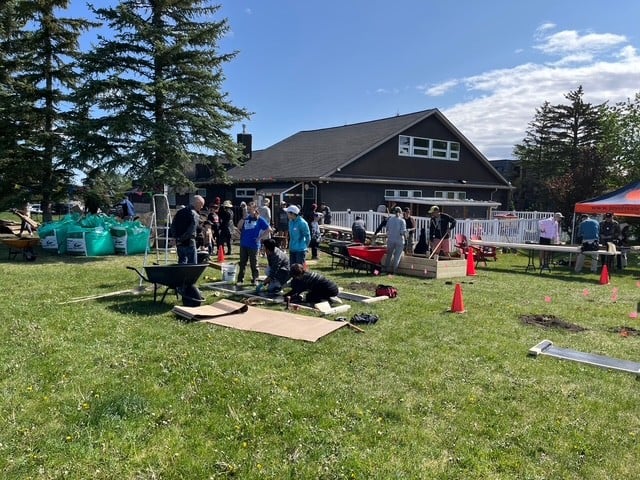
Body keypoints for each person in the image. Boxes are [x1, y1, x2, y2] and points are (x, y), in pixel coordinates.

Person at [236, 201, 271, 285]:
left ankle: (255, 279)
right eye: (248, 209)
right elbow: (238, 226)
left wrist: (260, 238)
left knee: (254, 263)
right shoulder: (246, 218)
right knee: (242, 263)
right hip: (244, 244)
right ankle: (240, 279)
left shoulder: (260, 219)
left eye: (250, 209)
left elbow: (269, 229)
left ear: (255, 209)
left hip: (254, 245)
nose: (249, 211)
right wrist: (243, 218)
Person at [170, 195, 205, 264]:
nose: (202, 207)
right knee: (192, 265)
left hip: (179, 244)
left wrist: (176, 238)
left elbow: (173, 225)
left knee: (182, 263)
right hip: (189, 242)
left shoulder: (179, 212)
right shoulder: (194, 214)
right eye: (201, 205)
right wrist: (180, 239)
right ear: (197, 203)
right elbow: (191, 230)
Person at [384, 206, 407, 274]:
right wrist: (406, 237)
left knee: (389, 255)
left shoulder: (390, 219)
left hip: (391, 239)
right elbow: (402, 232)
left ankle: (386, 269)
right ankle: (394, 270)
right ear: (400, 212)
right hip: (399, 240)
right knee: (397, 256)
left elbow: (387, 229)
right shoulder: (402, 221)